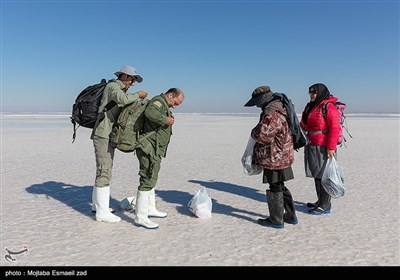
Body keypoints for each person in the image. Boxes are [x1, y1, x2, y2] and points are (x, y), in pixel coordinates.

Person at [91, 65, 148, 223]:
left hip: (107, 135)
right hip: (102, 134)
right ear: (123, 76)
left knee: (104, 170)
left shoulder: (120, 90)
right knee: (104, 171)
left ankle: (98, 206)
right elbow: (122, 100)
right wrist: (139, 95)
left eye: (134, 80)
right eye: (131, 78)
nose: (133, 82)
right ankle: (102, 213)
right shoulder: (113, 86)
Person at [244, 86, 298, 229]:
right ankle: (290, 215)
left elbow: (264, 136)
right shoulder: (281, 107)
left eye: (256, 102)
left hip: (274, 156)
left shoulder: (271, 113)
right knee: (280, 184)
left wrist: (254, 132)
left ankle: (276, 219)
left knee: (274, 186)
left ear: (263, 99)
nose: (256, 105)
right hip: (283, 154)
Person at [134, 88, 184, 229]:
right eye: (175, 102)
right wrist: (165, 119)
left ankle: (150, 209)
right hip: (148, 147)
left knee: (152, 178)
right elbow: (150, 113)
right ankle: (141, 217)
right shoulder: (158, 102)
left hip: (155, 148)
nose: (175, 106)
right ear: (170, 95)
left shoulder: (163, 103)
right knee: (147, 178)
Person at [300, 83, 342, 215]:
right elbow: (304, 123)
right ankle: (320, 201)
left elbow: (335, 128)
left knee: (324, 175)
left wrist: (331, 147)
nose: (311, 95)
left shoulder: (328, 107)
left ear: (321, 93)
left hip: (324, 146)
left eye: (314, 92)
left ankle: (325, 204)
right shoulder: (310, 106)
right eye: (310, 92)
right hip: (312, 144)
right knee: (316, 174)